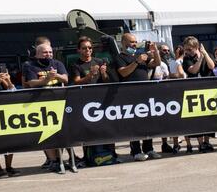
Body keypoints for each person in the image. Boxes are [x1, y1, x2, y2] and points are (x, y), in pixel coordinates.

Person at [114, 33, 162, 161]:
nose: (134, 44)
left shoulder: (140, 55)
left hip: (144, 93)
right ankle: (136, 151)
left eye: (135, 42)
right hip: (130, 95)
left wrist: (155, 51)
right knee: (134, 124)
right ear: (124, 43)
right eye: (132, 42)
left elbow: (157, 63)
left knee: (147, 122)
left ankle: (149, 148)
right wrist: (137, 61)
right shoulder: (120, 57)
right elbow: (124, 72)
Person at [69, 37, 116, 166]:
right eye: (84, 48)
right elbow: (76, 82)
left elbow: (106, 81)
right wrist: (89, 75)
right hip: (86, 102)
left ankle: (111, 154)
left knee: (107, 128)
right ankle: (89, 157)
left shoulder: (99, 61)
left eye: (89, 48)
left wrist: (104, 73)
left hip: (102, 100)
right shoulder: (76, 65)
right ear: (79, 50)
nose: (88, 50)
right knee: (88, 130)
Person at [23, 42, 69, 172]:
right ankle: (53, 160)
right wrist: (46, 79)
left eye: (50, 52)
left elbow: (65, 79)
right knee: (45, 134)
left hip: (58, 102)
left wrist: (56, 76)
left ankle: (61, 159)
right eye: (44, 52)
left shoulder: (57, 64)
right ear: (37, 54)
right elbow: (31, 83)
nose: (48, 55)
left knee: (61, 132)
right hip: (40, 105)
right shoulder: (30, 66)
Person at [181, 36, 216, 153]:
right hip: (195, 91)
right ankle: (201, 143)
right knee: (198, 119)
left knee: (209, 118)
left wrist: (204, 54)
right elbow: (193, 70)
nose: (187, 52)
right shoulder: (186, 59)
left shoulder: (207, 54)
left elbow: (212, 66)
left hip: (209, 90)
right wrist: (199, 59)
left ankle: (207, 141)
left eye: (190, 49)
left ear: (196, 47)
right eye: (186, 49)